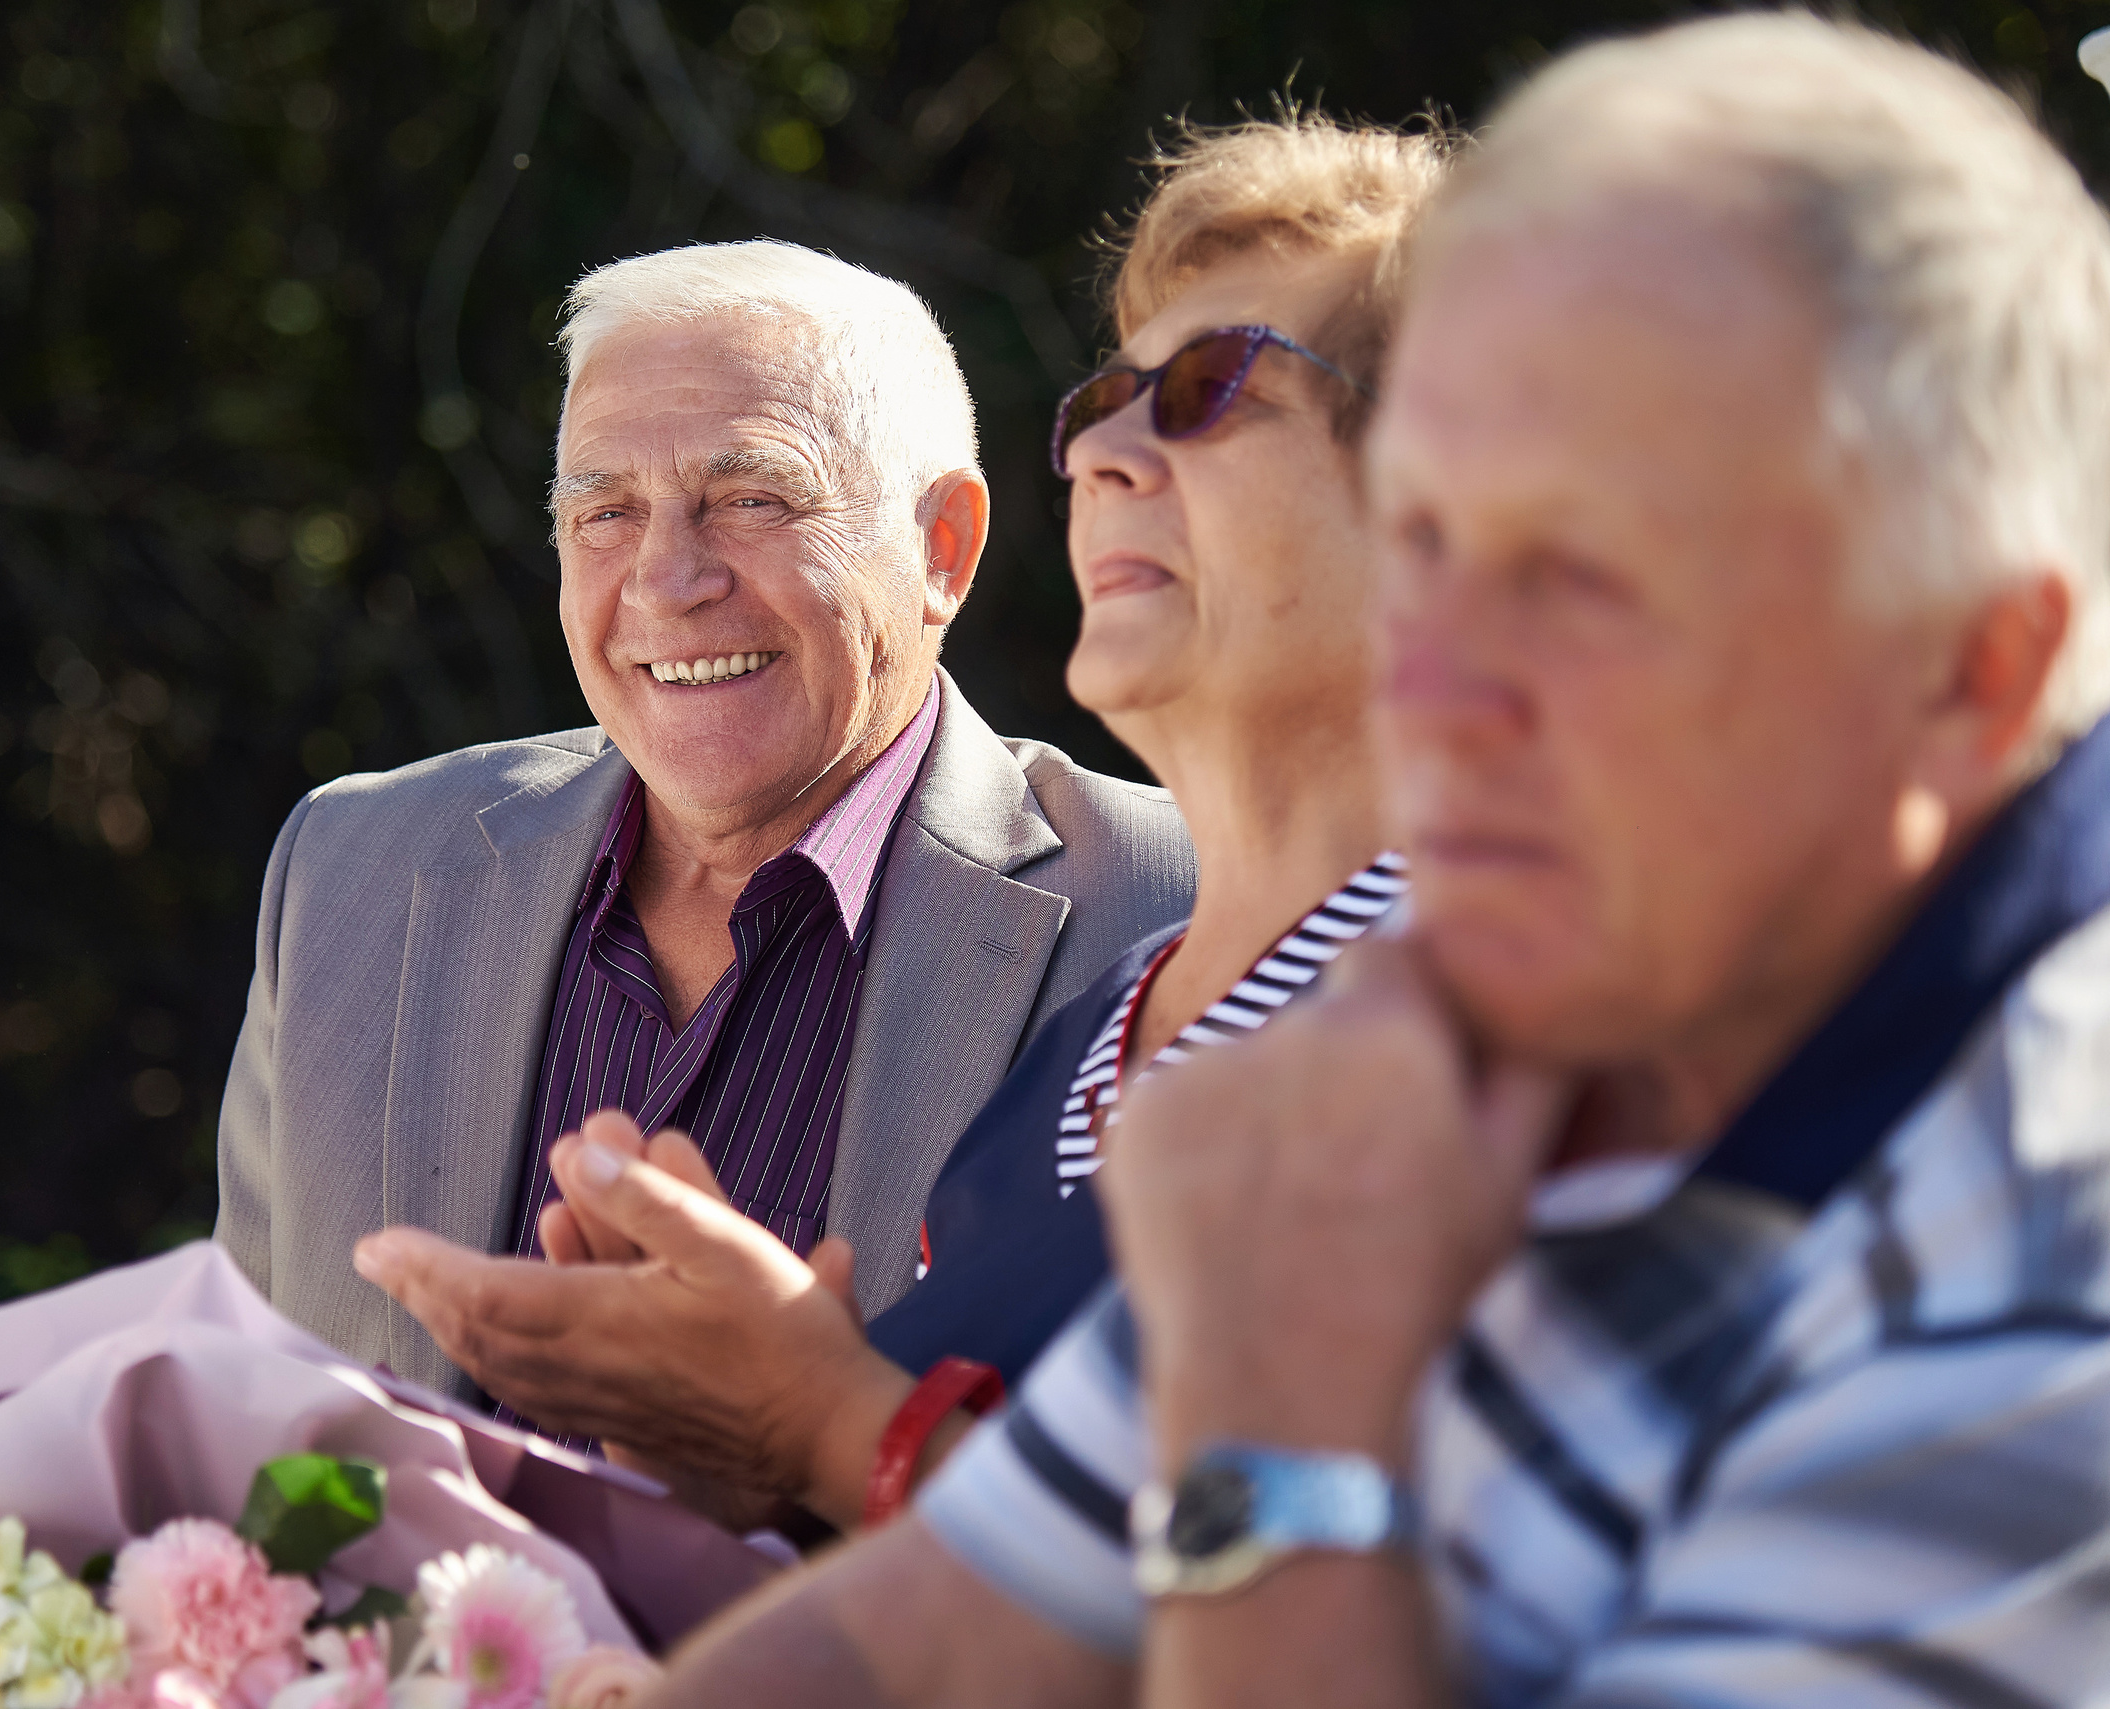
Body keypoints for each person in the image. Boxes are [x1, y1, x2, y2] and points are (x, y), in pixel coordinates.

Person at [629, 14, 2110, 1707]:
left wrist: (1272, 1398)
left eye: (1583, 576)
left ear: (1965, 671)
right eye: (1426, 542)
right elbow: (922, 1633)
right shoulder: (1474, 1020)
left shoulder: (2048, 1265)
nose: (1441, 677)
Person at [353, 117, 1446, 1527]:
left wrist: (825, 1421)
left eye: (1212, 387)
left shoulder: (1528, 1006)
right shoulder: (1100, 1033)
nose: (1105, 446)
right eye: (1110, 396)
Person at [217, 240, 1196, 1390]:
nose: (666, 579)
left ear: (943, 548)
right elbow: (241, 1420)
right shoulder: (355, 868)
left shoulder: (1185, 907)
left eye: (752, 498)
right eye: (607, 513)